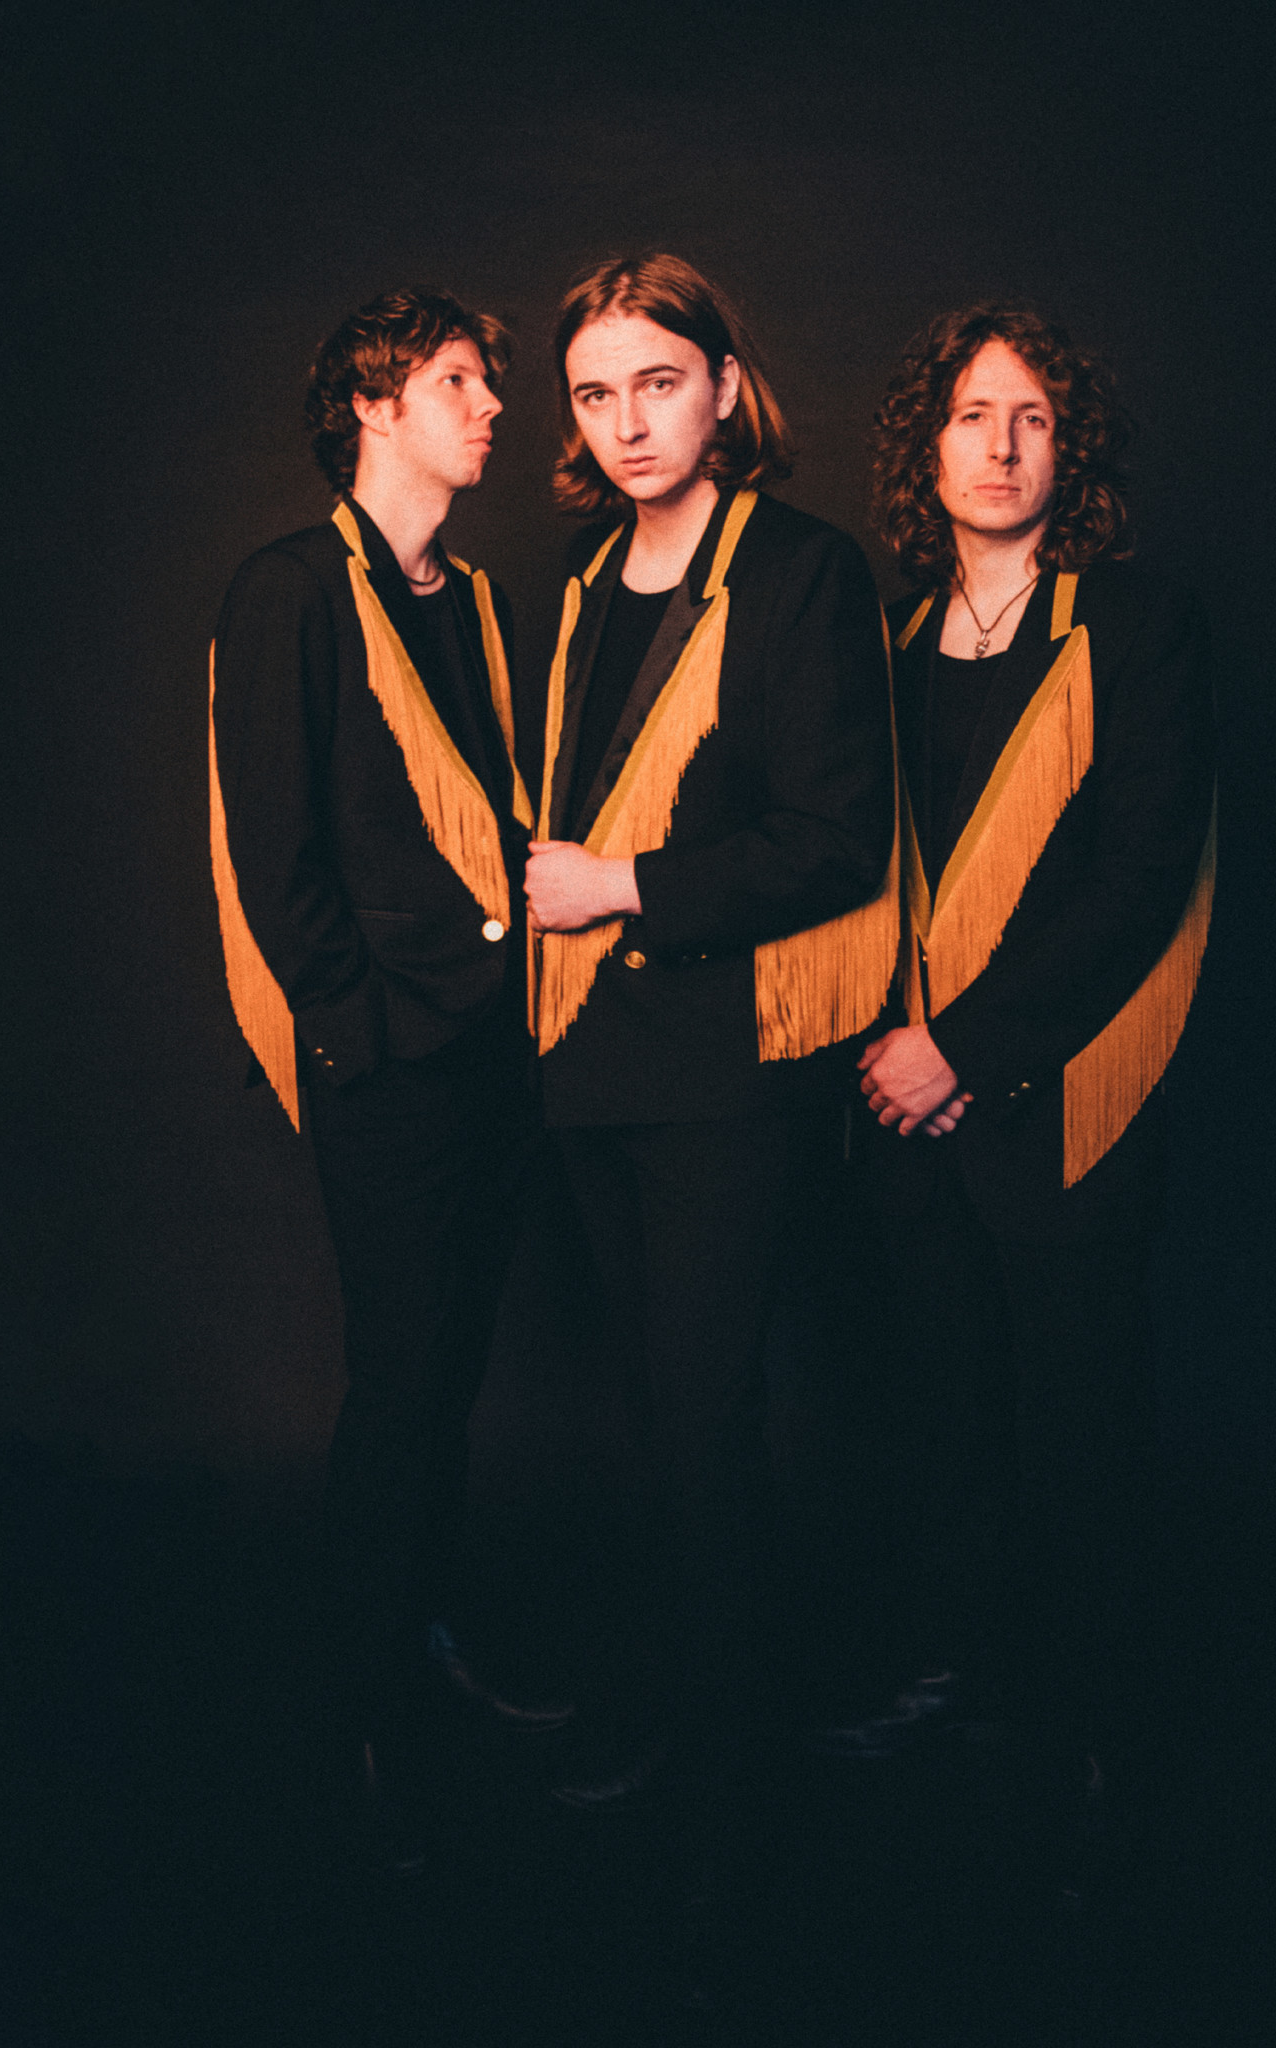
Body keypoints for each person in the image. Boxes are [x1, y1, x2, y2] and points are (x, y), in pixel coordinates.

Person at [828, 304, 1216, 1891]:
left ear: (1071, 447)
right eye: (972, 415)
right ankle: (956, 1680)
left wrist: (965, 1052)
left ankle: (1096, 1725)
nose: (999, 445)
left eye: (1032, 417)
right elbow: (858, 876)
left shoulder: (1134, 623)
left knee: (1082, 1428)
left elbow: (1138, 880)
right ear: (928, 446)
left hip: (1063, 1099)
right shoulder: (891, 640)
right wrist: (894, 1052)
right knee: (940, 1416)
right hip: (911, 1112)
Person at [522, 253, 898, 1825]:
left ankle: (726, 1768)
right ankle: (685, 1714)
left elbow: (836, 842)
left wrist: (621, 885)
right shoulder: (581, 582)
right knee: (649, 1415)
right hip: (588, 1064)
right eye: (595, 394)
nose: (626, 423)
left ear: (727, 387)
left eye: (658, 384)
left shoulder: (803, 571)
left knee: (705, 1413)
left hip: (731, 1072)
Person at [207, 288, 568, 1874]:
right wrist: (361, 1042)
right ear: (374, 404)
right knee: (401, 1385)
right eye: (459, 381)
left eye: (487, 382)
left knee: (452, 1380)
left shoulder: (473, 599)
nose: (490, 408)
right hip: (389, 1072)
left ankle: (421, 1652)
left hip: (498, 1058)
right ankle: (358, 1716)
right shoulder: (288, 589)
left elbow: (492, 816)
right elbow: (274, 856)